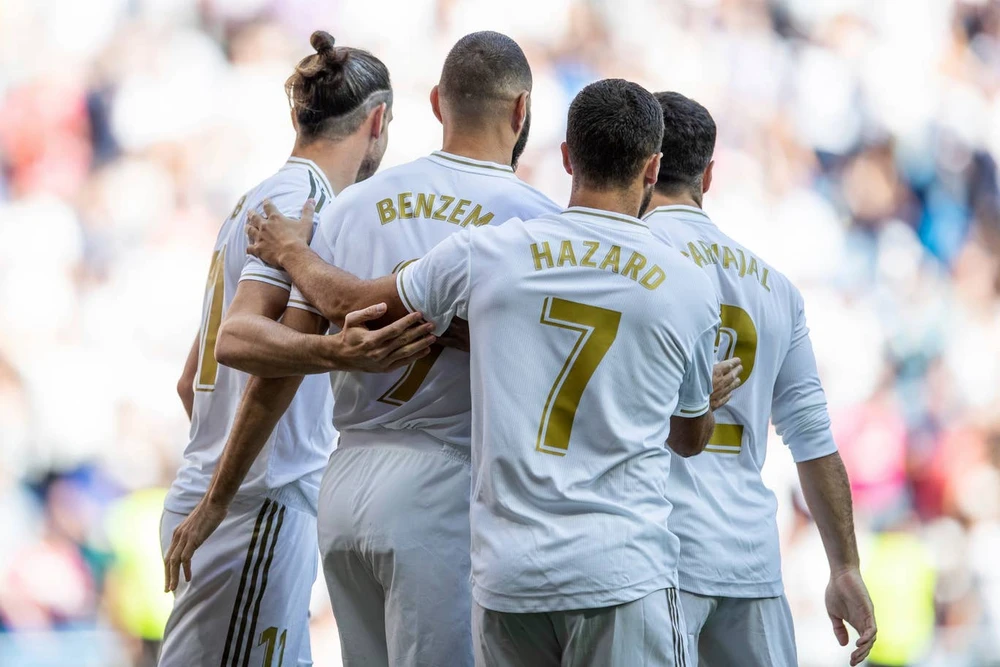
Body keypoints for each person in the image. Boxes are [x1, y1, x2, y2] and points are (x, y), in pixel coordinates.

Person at [250, 78, 731, 667]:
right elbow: (688, 439)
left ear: (567, 157)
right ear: (653, 167)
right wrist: (701, 399)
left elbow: (348, 301)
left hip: (509, 576)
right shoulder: (687, 285)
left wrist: (291, 252)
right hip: (622, 572)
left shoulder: (489, 251)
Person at [177, 31, 557, 667]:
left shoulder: (349, 207)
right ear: (521, 111)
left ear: (437, 103)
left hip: (345, 486)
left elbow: (279, 361)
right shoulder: (538, 222)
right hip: (446, 485)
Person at [158, 32, 435, 667]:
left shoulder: (257, 199)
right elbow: (240, 341)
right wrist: (341, 355)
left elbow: (189, 380)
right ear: (378, 120)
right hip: (254, 502)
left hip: (230, 494)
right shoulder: (305, 205)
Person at [643, 91, 877, 667]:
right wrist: (844, 565)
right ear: (708, 174)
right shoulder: (776, 288)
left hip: (657, 557)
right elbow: (813, 438)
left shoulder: (629, 262)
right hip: (751, 562)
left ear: (642, 163)